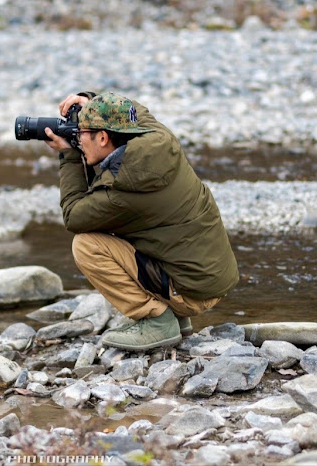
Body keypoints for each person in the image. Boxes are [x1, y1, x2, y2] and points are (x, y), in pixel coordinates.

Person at [44, 91, 239, 351]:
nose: (76, 138)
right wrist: (90, 100)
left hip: (192, 291)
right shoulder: (159, 139)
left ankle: (157, 321)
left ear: (103, 138)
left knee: (86, 245)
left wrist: (68, 156)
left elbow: (73, 216)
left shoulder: (123, 190)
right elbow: (136, 112)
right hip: (209, 278)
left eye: (80, 133)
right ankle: (177, 318)